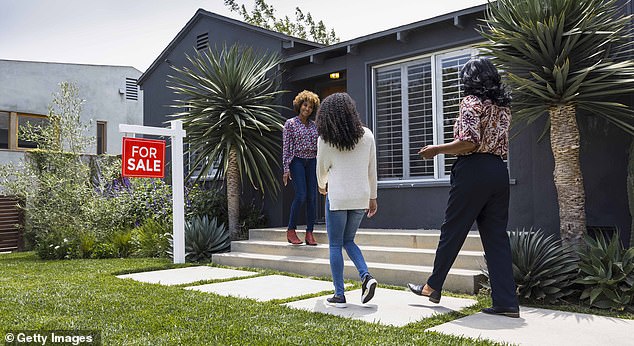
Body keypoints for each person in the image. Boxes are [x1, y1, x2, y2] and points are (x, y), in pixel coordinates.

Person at [407, 58, 520, 318]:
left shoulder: (470, 102)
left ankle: (432, 286)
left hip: (473, 171)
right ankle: (506, 302)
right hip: (498, 171)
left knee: (453, 230)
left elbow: (469, 142)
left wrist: (436, 150)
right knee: (496, 238)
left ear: (470, 80)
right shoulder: (503, 107)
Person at [316, 92, 378, 308]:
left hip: (338, 198)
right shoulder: (368, 135)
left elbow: (321, 170)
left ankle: (339, 294)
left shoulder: (325, 140)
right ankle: (366, 276)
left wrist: (322, 187)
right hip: (361, 196)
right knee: (348, 240)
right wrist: (373, 197)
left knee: (335, 244)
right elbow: (372, 171)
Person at [282, 90, 320, 245]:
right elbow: (286, 147)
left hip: (312, 161)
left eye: (311, 107)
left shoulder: (314, 126)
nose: (307, 109)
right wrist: (286, 168)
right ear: (299, 105)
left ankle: (309, 233)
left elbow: (319, 146)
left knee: (312, 197)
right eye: (305, 105)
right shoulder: (290, 124)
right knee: (301, 195)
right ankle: (291, 230)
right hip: (297, 160)